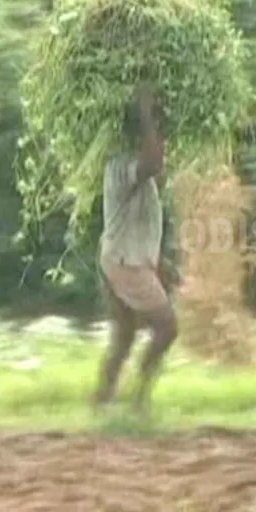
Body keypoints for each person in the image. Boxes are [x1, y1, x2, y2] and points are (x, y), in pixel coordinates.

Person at [94, 83, 181, 416]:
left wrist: (156, 261)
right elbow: (154, 163)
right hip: (125, 265)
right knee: (167, 329)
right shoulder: (122, 167)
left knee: (125, 336)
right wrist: (147, 113)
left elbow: (143, 221)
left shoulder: (132, 169)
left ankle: (102, 400)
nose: (161, 143)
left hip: (124, 259)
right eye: (154, 136)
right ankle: (139, 399)